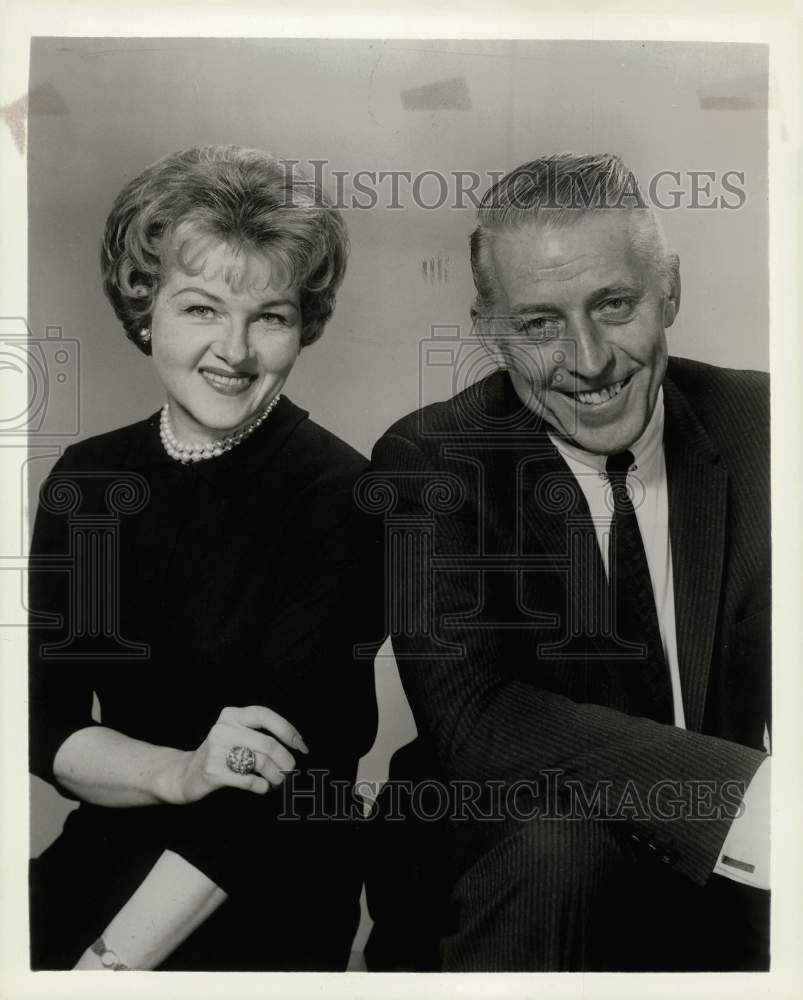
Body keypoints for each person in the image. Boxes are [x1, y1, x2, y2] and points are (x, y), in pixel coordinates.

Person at [370, 153, 770, 971]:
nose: (587, 362)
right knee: (563, 848)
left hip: (736, 895)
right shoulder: (432, 461)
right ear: (488, 329)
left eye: (613, 304)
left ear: (669, 291)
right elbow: (476, 715)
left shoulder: (765, 426)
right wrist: (745, 798)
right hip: (518, 882)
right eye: (539, 323)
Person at [28, 145, 382, 971]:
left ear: (303, 325)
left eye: (269, 315)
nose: (235, 349)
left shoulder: (344, 495)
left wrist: (105, 969)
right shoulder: (88, 479)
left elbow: (275, 787)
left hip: (264, 882)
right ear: (144, 306)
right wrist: (179, 772)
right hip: (114, 843)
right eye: (200, 309)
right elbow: (46, 729)